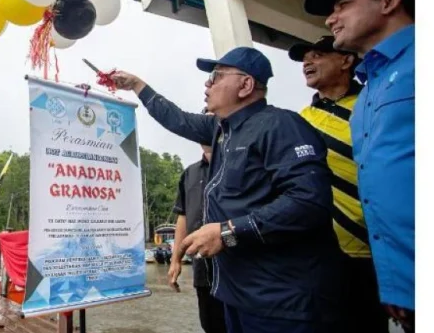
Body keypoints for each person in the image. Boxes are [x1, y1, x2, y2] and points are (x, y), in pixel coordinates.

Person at [111, 47, 343, 333]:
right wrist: (137, 85)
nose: (207, 84)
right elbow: (176, 118)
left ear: (245, 85)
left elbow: (310, 201)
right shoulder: (221, 129)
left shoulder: (281, 125)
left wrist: (228, 231)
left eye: (216, 76)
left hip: (282, 302)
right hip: (236, 296)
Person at [304, 0, 415, 332]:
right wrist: (398, 280)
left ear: (389, 1)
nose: (332, 19)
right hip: (391, 276)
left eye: (344, 5)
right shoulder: (371, 90)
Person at [288, 36, 389, 333]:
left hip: (372, 254)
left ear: (346, 61)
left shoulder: (376, 105)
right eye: (305, 58)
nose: (307, 62)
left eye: (317, 55)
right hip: (316, 256)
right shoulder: (300, 121)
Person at [167, 112, 226, 333]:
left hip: (239, 267)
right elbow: (182, 216)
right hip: (203, 269)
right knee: (211, 325)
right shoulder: (190, 173)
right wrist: (175, 260)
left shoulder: (240, 162)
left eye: (210, 121)